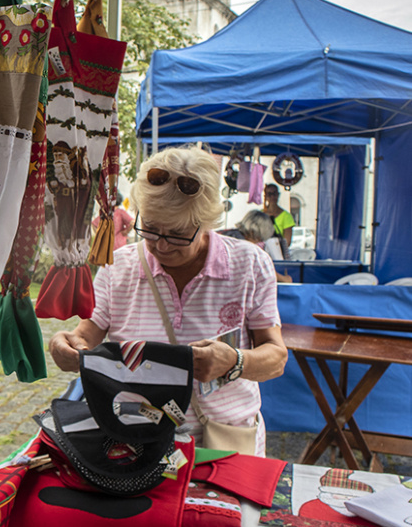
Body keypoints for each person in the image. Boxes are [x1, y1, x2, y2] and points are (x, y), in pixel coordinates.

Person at [48, 146, 288, 457]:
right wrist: (66, 345)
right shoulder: (118, 265)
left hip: (225, 440)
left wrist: (234, 362)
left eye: (176, 233)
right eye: (149, 228)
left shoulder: (249, 263)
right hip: (134, 440)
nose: (160, 245)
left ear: (206, 223)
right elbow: (85, 336)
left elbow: (276, 357)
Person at [220, 210, 292, 282]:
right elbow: (259, 267)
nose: (258, 243)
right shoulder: (241, 244)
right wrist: (283, 279)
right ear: (252, 232)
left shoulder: (229, 234)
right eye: (259, 238)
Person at [263, 183, 295, 248]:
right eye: (269, 194)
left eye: (274, 194)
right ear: (265, 196)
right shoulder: (260, 214)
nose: (272, 197)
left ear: (278, 195)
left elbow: (287, 242)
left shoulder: (286, 216)